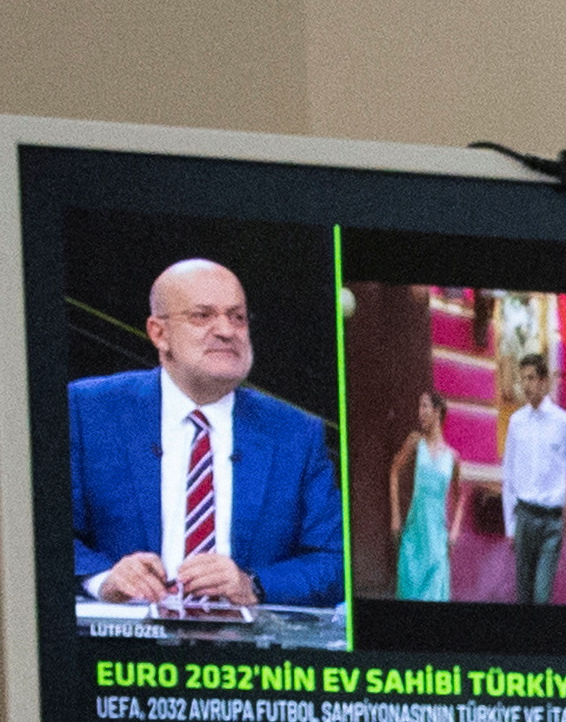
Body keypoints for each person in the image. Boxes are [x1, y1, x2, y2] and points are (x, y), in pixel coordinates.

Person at [69, 256, 344, 608]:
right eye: (202, 315)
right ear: (159, 332)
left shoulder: (295, 433)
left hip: (243, 657)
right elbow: (41, 531)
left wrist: (253, 585)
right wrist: (104, 579)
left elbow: (332, 560)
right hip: (123, 653)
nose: (227, 331)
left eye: (237, 317)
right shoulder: (88, 409)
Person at [493, 354, 566, 608]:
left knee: (541, 595)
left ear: (545, 381)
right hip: (524, 517)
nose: (527, 385)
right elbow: (509, 476)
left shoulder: (562, 422)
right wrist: (509, 524)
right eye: (523, 379)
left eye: (532, 378)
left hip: (551, 522)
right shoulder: (516, 422)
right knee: (524, 595)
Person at [389, 387, 463, 605]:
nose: (420, 412)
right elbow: (394, 471)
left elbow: (460, 499)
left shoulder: (453, 458)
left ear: (438, 411)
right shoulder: (415, 442)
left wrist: (455, 530)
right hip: (414, 534)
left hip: (438, 540)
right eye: (419, 407)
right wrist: (395, 517)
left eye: (425, 406)